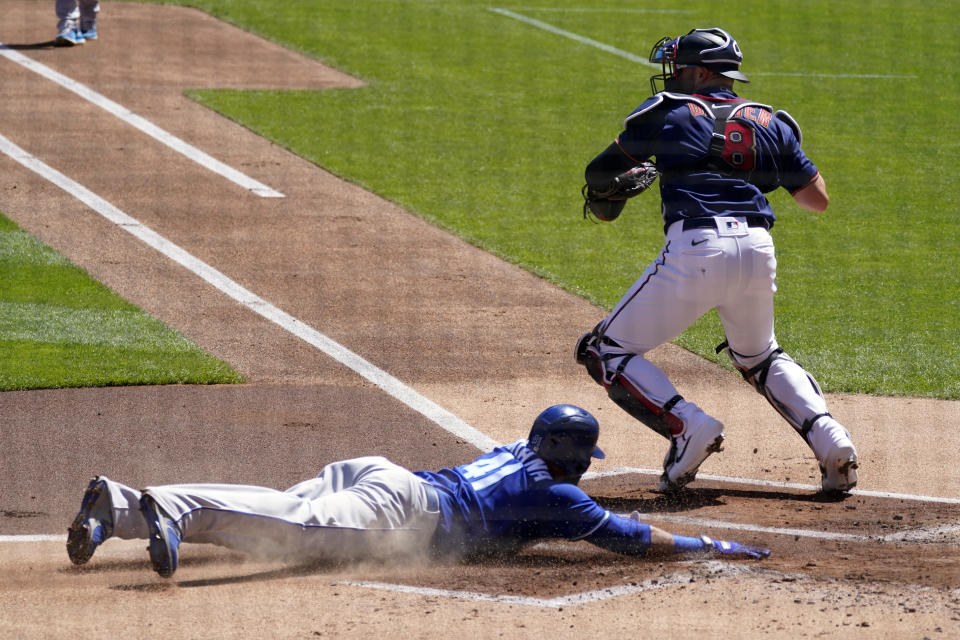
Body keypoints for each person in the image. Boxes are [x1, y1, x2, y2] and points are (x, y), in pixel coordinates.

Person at [576, 28, 859, 496]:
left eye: (680, 66)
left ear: (701, 71)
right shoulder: (771, 122)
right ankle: (832, 441)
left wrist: (616, 191)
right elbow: (817, 200)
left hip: (697, 249)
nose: (672, 74)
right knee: (759, 355)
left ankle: (687, 426)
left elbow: (598, 173)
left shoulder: (667, 113)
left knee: (603, 350)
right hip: (758, 251)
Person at [66, 404, 769, 578]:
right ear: (569, 456)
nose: (588, 466)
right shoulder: (557, 496)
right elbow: (626, 537)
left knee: (283, 513)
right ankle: (173, 505)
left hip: (380, 476)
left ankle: (120, 506)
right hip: (401, 511)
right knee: (288, 528)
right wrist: (710, 542)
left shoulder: (519, 453)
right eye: (585, 456)